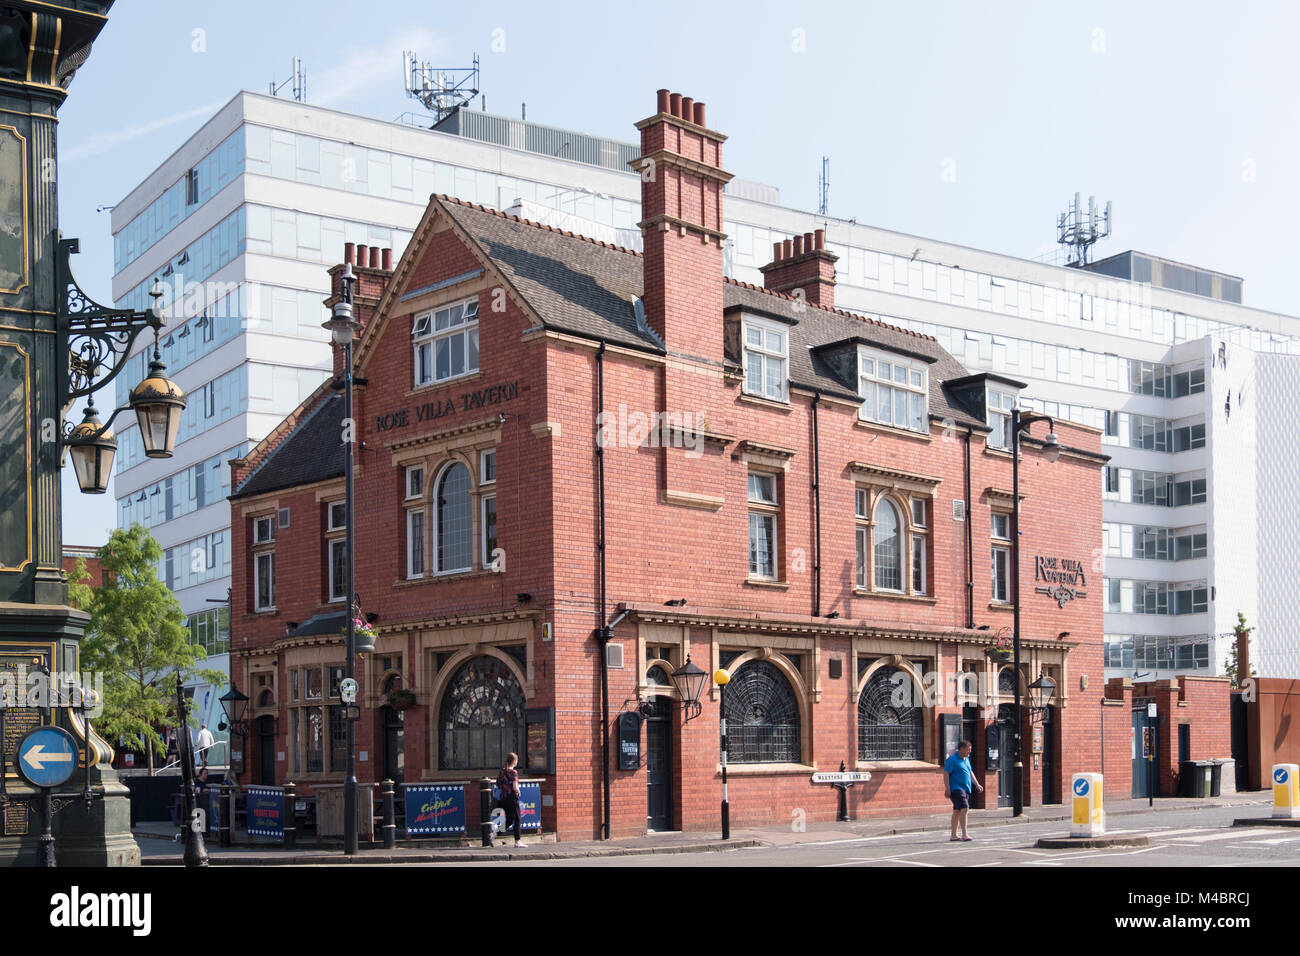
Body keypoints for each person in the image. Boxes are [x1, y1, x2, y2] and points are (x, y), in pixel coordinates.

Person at [943, 739, 983, 842]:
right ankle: (965, 834)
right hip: (956, 788)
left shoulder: (966, 759)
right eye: (968, 749)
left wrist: (977, 784)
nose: (970, 751)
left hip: (966, 788)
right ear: (961, 749)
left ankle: (953, 835)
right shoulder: (952, 759)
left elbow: (969, 772)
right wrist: (947, 788)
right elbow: (946, 774)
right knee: (965, 808)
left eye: (970, 749)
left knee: (957, 811)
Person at [495, 752, 524, 848]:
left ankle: (494, 834)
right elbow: (515, 786)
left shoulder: (501, 772)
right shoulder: (513, 772)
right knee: (517, 818)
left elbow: (498, 784)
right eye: (517, 760)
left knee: (509, 820)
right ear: (514, 761)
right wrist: (518, 792)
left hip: (503, 798)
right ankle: (517, 841)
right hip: (512, 797)